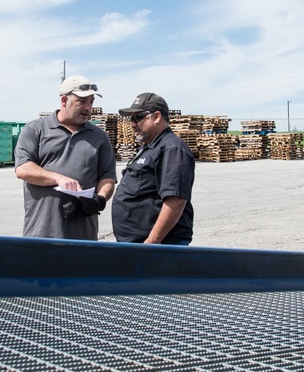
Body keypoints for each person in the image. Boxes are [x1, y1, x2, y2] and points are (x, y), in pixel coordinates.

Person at [14, 75, 117, 240]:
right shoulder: (35, 130)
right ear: (64, 100)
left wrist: (100, 199)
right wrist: (58, 178)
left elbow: (108, 177)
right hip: (41, 233)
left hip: (84, 236)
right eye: (82, 102)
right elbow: (23, 169)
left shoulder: (99, 136)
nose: (88, 107)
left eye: (91, 102)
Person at [112, 92, 195, 245]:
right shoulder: (150, 148)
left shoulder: (172, 149)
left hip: (160, 247)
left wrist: (152, 242)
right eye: (131, 118)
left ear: (156, 117)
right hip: (137, 243)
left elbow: (175, 200)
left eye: (138, 117)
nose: (132, 124)